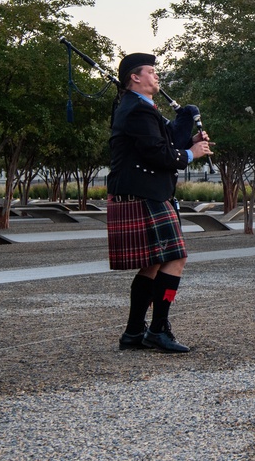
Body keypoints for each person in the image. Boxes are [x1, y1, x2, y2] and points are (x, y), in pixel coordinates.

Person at [107, 52, 212, 353]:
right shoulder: (137, 111)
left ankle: (132, 332)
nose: (156, 76)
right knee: (175, 259)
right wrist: (193, 154)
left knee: (153, 264)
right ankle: (157, 330)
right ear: (134, 78)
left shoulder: (140, 108)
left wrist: (189, 142)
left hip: (143, 193)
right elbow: (158, 154)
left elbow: (164, 145)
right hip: (145, 194)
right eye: (151, 71)